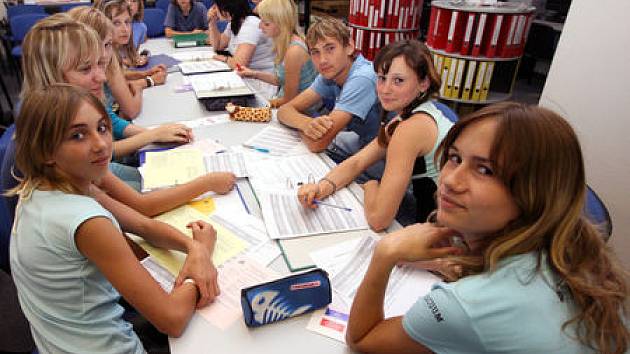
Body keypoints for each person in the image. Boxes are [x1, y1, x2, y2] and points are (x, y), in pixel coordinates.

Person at [345, 102, 629, 353]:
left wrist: (385, 254)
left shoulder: (466, 306)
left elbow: (362, 339)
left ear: (534, 194)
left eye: (485, 170)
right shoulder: (572, 247)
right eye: (455, 158)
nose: (451, 181)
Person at [9, 84, 219, 353]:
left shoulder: (42, 186)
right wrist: (202, 260)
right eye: (77, 136)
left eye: (102, 128)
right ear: (45, 151)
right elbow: (172, 319)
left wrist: (193, 247)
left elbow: (143, 225)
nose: (100, 144)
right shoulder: (88, 222)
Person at [12, 14, 235, 206]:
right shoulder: (64, 155)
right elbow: (141, 207)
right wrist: (205, 183)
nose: (101, 74)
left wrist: (155, 133)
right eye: (86, 67)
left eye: (101, 61)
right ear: (52, 76)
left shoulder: (70, 113)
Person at [298, 40, 451, 231]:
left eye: (398, 81)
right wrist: (320, 188)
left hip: (440, 228)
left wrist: (370, 185)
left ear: (423, 83)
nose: (385, 89)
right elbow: (357, 162)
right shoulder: (407, 116)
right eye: (382, 78)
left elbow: (379, 220)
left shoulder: (411, 129)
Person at [277, 16, 380, 165]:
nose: (322, 60)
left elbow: (317, 143)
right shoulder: (329, 73)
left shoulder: (362, 78)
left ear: (350, 47)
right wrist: (307, 124)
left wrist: (300, 125)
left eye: (330, 48)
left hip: (385, 159)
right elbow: (284, 110)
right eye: (315, 52)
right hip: (362, 143)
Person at [236, 0, 316, 109]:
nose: (260, 26)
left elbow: (289, 101)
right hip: (288, 105)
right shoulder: (283, 43)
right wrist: (253, 74)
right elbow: (281, 80)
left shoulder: (294, 51)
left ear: (281, 24)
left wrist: (259, 106)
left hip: (303, 112)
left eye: (266, 23)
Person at [206, 0, 274, 73]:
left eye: (215, 7)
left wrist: (224, 59)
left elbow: (239, 65)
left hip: (263, 76)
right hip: (248, 74)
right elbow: (218, 46)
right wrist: (212, 22)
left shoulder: (251, 24)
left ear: (226, 9)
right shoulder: (235, 22)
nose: (213, 10)